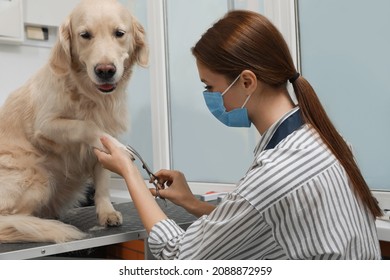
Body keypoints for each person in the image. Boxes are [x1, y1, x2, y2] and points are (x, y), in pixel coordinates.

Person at [94, 10, 382, 259]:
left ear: (247, 82)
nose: (209, 98)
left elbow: (179, 257)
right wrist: (192, 203)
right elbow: (261, 221)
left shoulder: (277, 172)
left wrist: (129, 171)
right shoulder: (322, 141)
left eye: (210, 86)